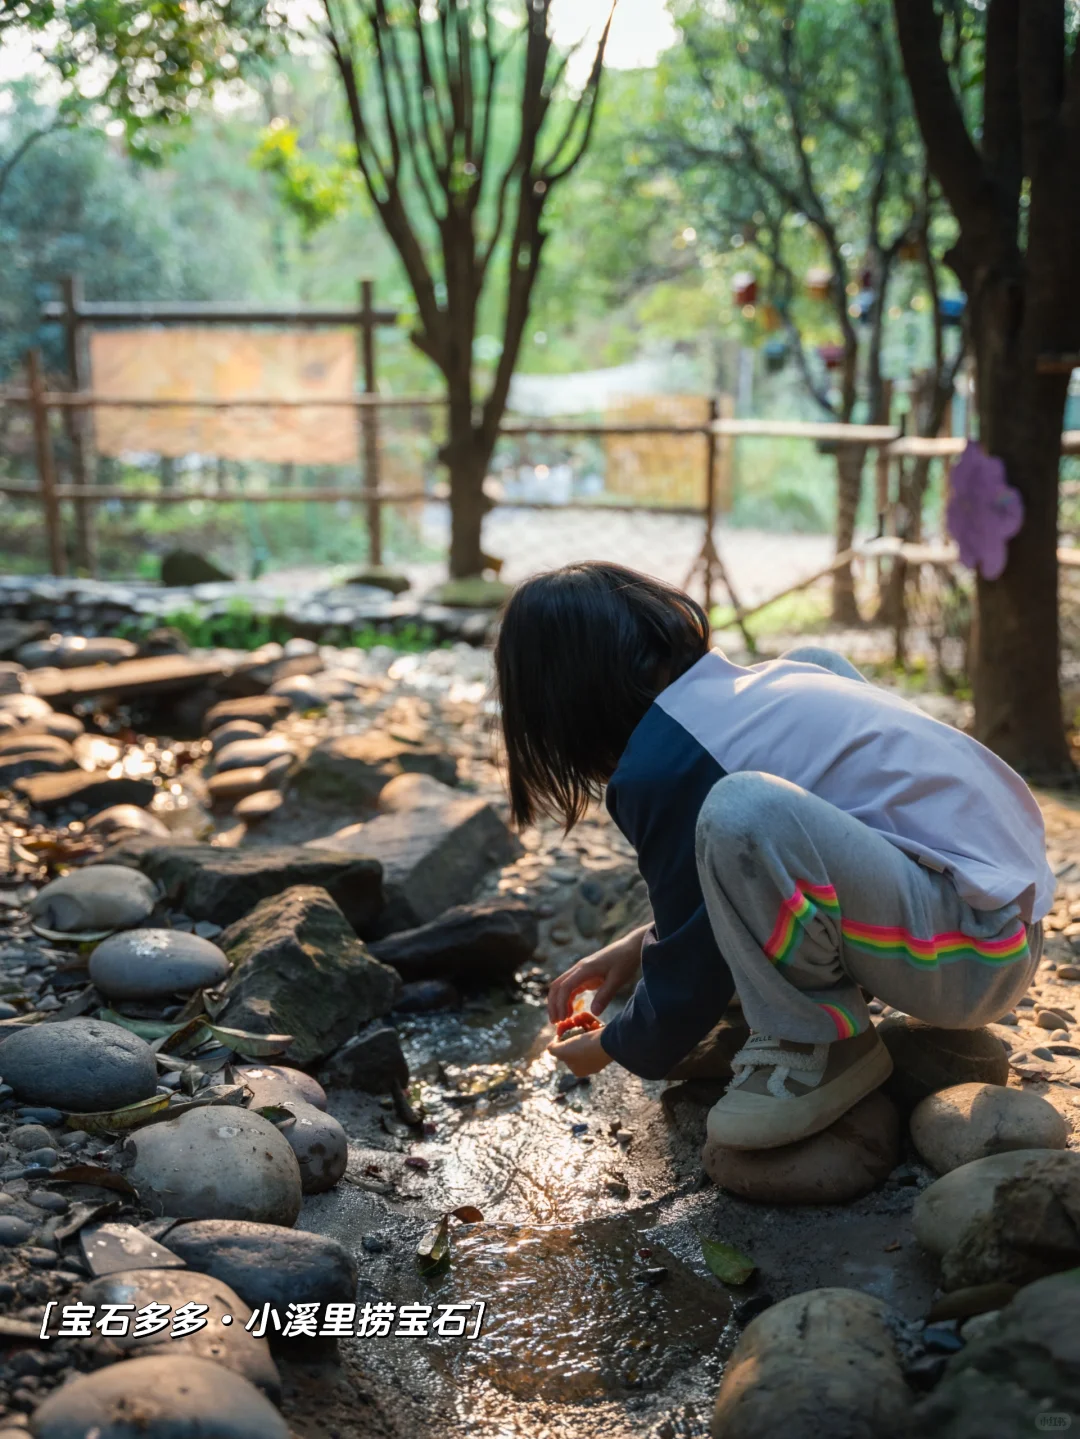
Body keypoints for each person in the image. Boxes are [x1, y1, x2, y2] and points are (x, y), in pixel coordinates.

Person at [494, 562, 1052, 1151]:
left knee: (742, 807)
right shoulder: (741, 697)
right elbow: (709, 906)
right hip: (996, 923)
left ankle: (823, 1045)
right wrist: (638, 946)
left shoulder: (661, 766)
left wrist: (613, 1045)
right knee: (812, 673)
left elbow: (689, 973)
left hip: (974, 958)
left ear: (561, 702)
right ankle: (824, 993)